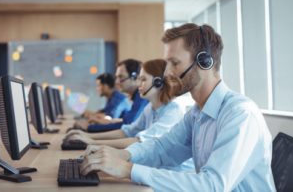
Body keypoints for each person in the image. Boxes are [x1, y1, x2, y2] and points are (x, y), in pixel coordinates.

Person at [77, 23, 276, 191]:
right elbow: (163, 148)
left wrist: (127, 169)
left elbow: (212, 185)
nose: (167, 73)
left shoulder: (240, 115)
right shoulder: (197, 113)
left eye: (174, 63)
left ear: (204, 62)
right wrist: (122, 155)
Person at [67, 59, 184, 150]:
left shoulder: (173, 111)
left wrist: (93, 141)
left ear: (158, 83)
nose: (138, 83)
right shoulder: (150, 108)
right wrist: (87, 137)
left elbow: (140, 140)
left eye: (143, 79)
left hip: (173, 174)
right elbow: (127, 131)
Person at [75, 59, 149, 132]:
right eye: (116, 77)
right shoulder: (137, 98)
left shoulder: (141, 98)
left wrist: (90, 127)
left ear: (134, 77)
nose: (116, 82)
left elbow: (126, 126)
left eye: (121, 77)